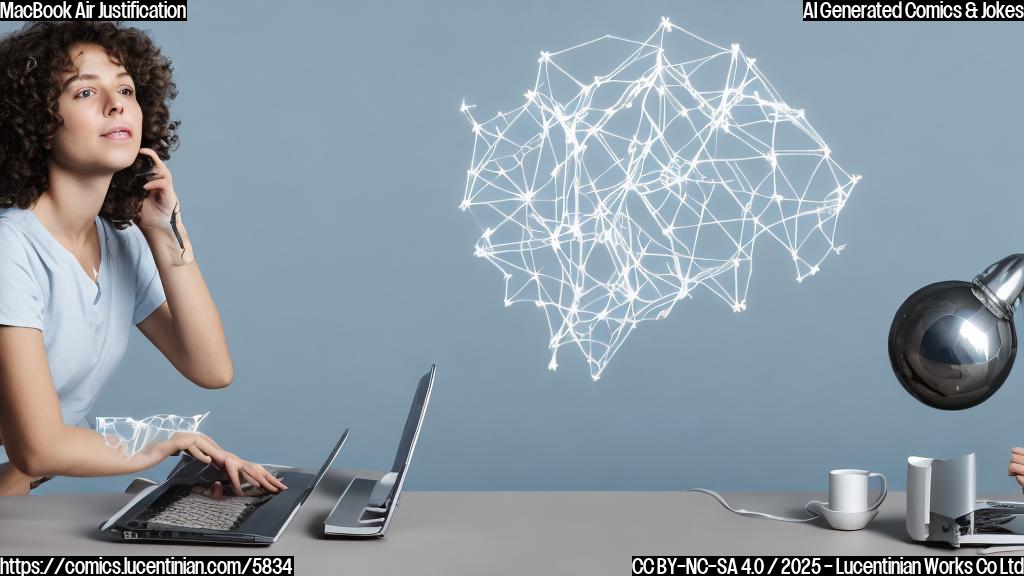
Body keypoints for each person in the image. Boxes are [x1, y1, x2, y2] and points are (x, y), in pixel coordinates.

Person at [0, 21, 285, 497]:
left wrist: (165, 233)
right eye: (85, 92)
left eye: (126, 89)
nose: (116, 104)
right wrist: (166, 442)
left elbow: (211, 368)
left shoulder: (121, 239)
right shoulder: (10, 248)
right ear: (38, 120)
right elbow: (39, 449)